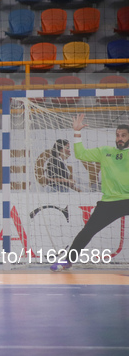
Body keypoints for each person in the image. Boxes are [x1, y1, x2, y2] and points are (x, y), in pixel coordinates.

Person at [51, 114, 129, 271]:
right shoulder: (105, 151)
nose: (120, 138)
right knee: (87, 231)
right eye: (118, 135)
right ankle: (68, 260)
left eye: (124, 135)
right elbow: (81, 154)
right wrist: (77, 133)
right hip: (109, 201)